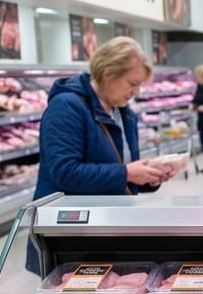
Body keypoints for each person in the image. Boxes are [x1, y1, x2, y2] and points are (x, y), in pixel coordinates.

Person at [27, 36, 168, 273]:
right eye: (132, 83)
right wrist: (126, 173)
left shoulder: (122, 112)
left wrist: (149, 176)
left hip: (108, 227)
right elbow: (64, 172)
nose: (137, 91)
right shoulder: (67, 107)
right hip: (72, 235)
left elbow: (121, 168)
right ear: (108, 73)